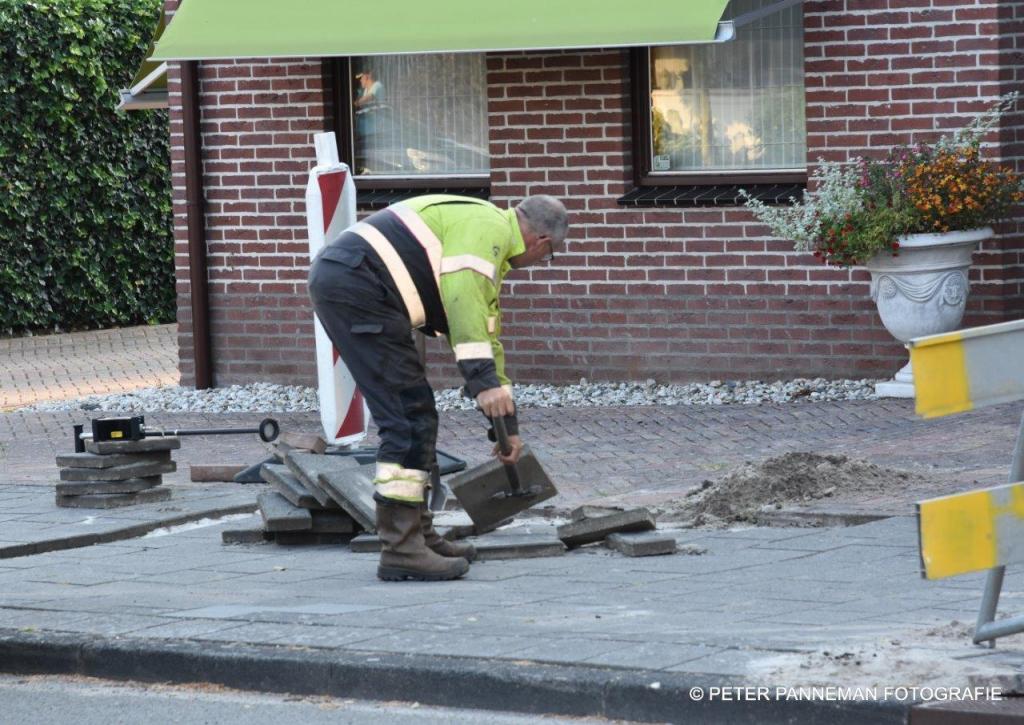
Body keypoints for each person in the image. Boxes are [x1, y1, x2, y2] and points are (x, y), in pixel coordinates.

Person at [308, 195, 568, 582]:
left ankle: (419, 535)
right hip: (358, 286)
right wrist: (481, 384)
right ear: (542, 242)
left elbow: (484, 339)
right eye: (548, 258)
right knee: (407, 414)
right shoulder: (489, 231)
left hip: (359, 284)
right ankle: (401, 549)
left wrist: (506, 426)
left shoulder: (486, 237)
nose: (538, 263)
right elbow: (462, 303)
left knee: (418, 413)